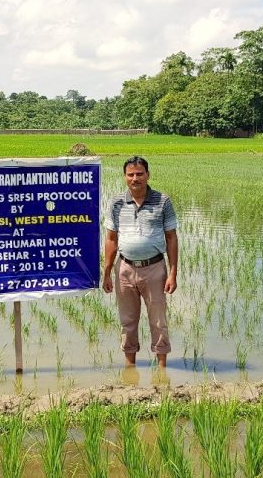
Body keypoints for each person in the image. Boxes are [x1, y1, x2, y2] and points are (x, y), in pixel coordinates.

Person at [102, 156, 178, 368]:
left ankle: (162, 366)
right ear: (125, 177)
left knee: (158, 320)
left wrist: (173, 273)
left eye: (139, 174)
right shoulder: (116, 203)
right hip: (124, 269)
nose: (135, 178)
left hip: (154, 269)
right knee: (127, 321)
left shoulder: (162, 201)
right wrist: (107, 272)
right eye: (131, 174)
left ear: (147, 175)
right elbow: (111, 239)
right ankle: (130, 366)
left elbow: (171, 237)